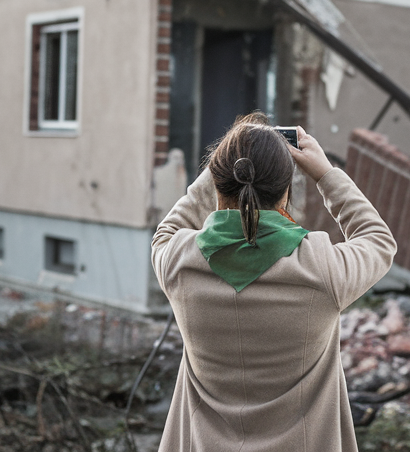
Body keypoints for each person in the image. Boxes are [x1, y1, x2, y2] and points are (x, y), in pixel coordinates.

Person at [151, 113, 396, 451]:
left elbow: (167, 230)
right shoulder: (321, 268)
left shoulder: (179, 261)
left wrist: (219, 170)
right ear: (284, 194)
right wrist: (325, 174)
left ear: (219, 186)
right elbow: (378, 240)